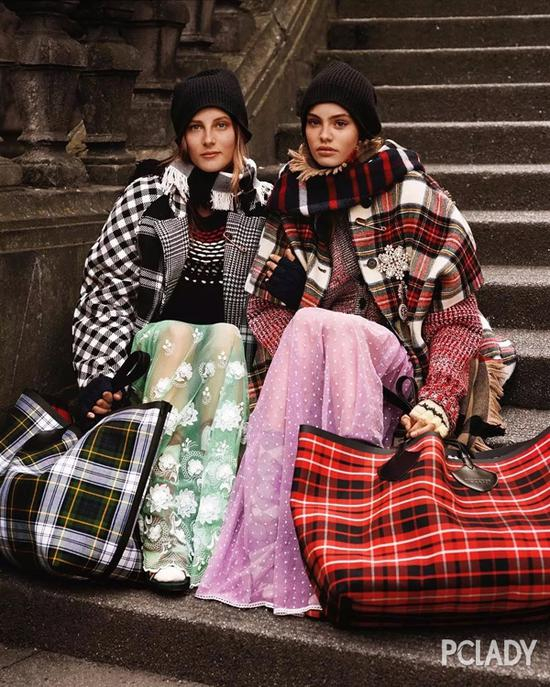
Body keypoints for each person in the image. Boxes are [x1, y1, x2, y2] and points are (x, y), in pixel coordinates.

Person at [196, 61, 516, 614]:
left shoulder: (411, 194)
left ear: (362, 130)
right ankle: (288, 549)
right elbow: (264, 305)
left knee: (326, 326)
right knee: (313, 325)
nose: (324, 135)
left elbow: (457, 320)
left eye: (339, 123)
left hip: (402, 364)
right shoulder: (293, 197)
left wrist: (439, 399)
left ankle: (348, 531)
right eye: (314, 122)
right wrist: (302, 330)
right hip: (319, 364)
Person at [72, 68, 272, 592]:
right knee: (178, 332)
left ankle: (210, 537)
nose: (209, 139)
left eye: (221, 125)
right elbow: (105, 294)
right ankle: (162, 537)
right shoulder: (148, 197)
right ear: (182, 136)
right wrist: (101, 375)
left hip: (230, 371)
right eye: (196, 127)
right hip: (155, 362)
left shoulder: (264, 204)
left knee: (223, 336)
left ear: (240, 132)